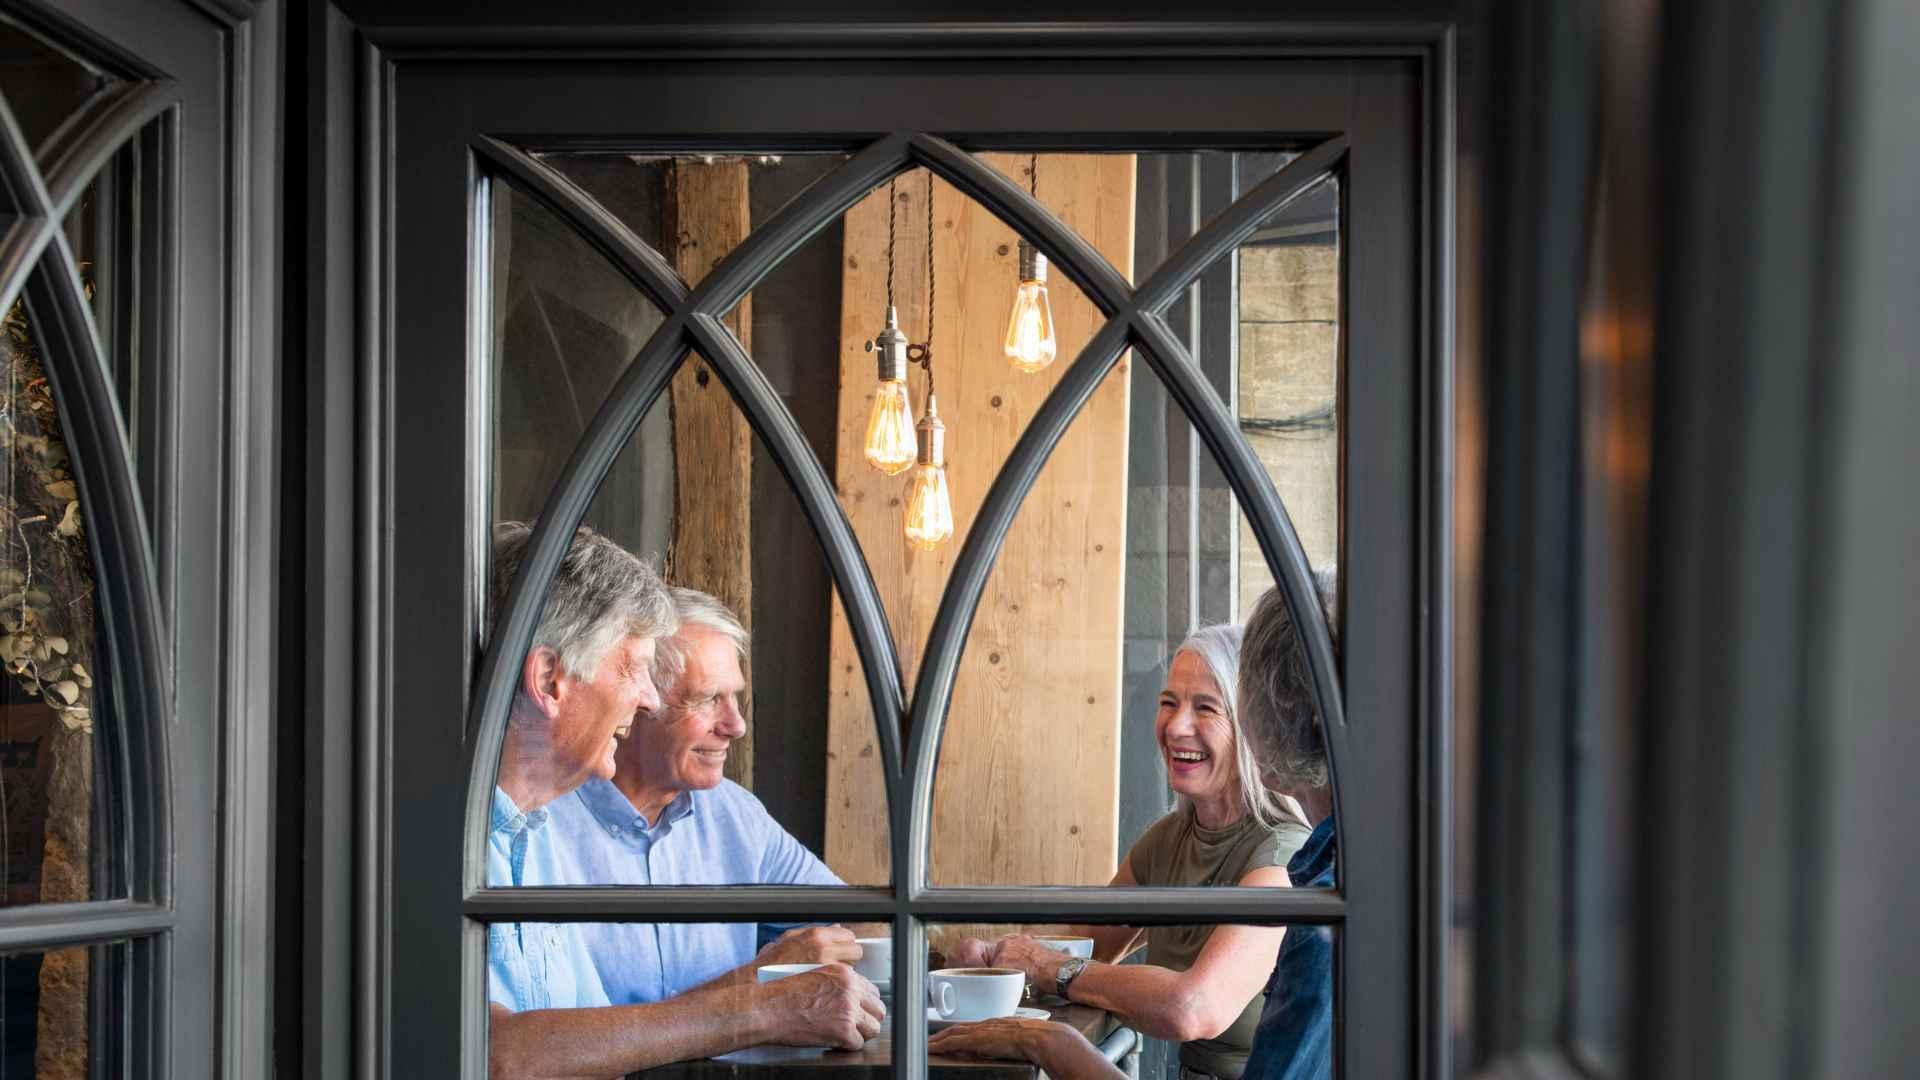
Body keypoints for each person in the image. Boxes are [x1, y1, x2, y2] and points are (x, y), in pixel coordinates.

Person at [484, 523, 882, 1079]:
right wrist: (756, 1004)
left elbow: (592, 1039)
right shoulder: (455, 832)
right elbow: (494, 1054)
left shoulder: (528, 829)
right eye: (635, 670)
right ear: (551, 679)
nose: (645, 698)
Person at [933, 570, 1339, 1080]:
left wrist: (1049, 1031)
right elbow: (1077, 945)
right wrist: (992, 957)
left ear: (1255, 720)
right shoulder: (1170, 839)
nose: (1175, 726)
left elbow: (1193, 1007)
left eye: (1205, 708)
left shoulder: (1290, 867)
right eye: (1168, 703)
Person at [545, 585, 864, 1002]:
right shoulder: (539, 819)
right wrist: (753, 985)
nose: (735, 725)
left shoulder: (733, 812)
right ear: (638, 699)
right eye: (709, 699)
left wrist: (953, 955)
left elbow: (859, 923)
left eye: (734, 697)